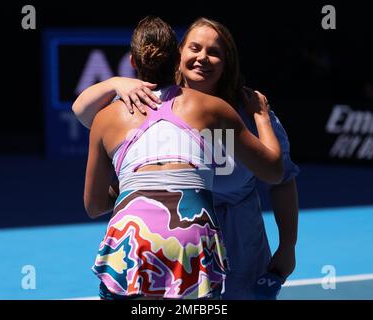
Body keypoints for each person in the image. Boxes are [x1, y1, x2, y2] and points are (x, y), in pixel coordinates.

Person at [73, 17, 299, 300]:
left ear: (227, 62)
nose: (203, 57)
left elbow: (281, 178)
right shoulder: (144, 100)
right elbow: (81, 109)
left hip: (238, 237)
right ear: (179, 54)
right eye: (195, 48)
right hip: (185, 231)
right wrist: (117, 83)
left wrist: (287, 246)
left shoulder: (248, 110)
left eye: (214, 52)